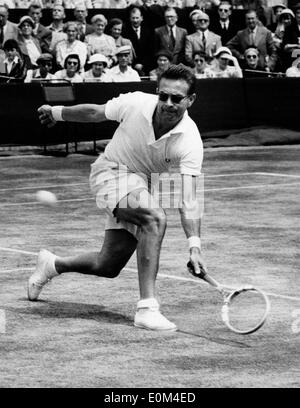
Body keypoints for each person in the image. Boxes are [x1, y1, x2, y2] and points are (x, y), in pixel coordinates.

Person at [30, 64, 205, 332]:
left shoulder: (190, 140)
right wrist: (56, 112)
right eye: (163, 96)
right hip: (109, 172)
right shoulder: (135, 102)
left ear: (190, 100)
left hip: (141, 185)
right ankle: (147, 308)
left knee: (108, 264)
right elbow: (95, 112)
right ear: (157, 92)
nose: (168, 104)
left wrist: (194, 247)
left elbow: (190, 198)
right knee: (155, 218)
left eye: (177, 98)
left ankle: (52, 264)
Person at [122, 6, 155, 75]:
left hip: (146, 67)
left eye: (137, 18)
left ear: (141, 18)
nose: (135, 20)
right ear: (129, 18)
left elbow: (151, 50)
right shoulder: (125, 31)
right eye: (133, 18)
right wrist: (135, 64)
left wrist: (143, 64)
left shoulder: (149, 31)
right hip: (130, 66)